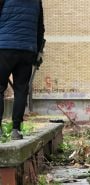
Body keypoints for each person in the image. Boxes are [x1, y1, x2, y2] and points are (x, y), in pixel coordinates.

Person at [0, 0, 45, 140]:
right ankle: (16, 129)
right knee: (21, 90)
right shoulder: (37, 1)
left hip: (4, 48)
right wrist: (38, 52)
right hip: (27, 50)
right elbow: (40, 28)